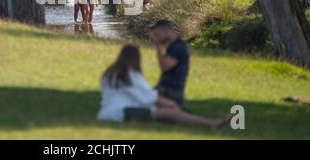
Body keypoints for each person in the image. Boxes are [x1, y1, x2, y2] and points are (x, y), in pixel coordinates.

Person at [97, 45, 230, 127]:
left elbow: (137, 96)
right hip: (122, 113)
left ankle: (199, 120)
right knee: (169, 111)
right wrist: (169, 104)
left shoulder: (109, 74)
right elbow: (147, 98)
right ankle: (211, 123)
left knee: (166, 111)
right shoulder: (130, 75)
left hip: (106, 113)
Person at [148, 20, 189, 107]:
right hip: (165, 90)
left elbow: (164, 67)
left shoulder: (178, 47)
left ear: (165, 31)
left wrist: (157, 44)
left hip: (171, 93)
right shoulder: (174, 45)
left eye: (157, 34)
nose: (156, 37)